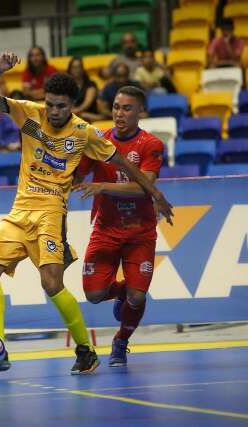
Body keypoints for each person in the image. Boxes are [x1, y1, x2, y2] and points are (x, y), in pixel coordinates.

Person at [0, 51, 173, 375]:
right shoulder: (28, 113)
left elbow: (122, 162)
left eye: (62, 106)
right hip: (20, 211)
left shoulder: (84, 132)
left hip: (51, 213)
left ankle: (85, 351)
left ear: (72, 105)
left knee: (51, 282)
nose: (55, 111)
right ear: (45, 100)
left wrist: (155, 193)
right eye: (51, 103)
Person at [74, 86, 164, 367]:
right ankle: (123, 290)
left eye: (126, 108)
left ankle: (121, 341)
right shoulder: (99, 142)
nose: (119, 113)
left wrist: (103, 186)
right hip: (106, 229)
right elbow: (77, 173)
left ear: (140, 112)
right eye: (115, 107)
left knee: (137, 297)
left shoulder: (151, 145)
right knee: (94, 294)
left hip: (140, 232)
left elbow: (143, 188)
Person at [67, 57, 102, 122]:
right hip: (74, 115)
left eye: (78, 67)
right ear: (70, 69)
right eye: (74, 67)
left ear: (82, 68)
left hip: (89, 114)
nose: (76, 70)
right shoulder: (66, 85)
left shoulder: (90, 84)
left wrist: (75, 111)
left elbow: (86, 104)